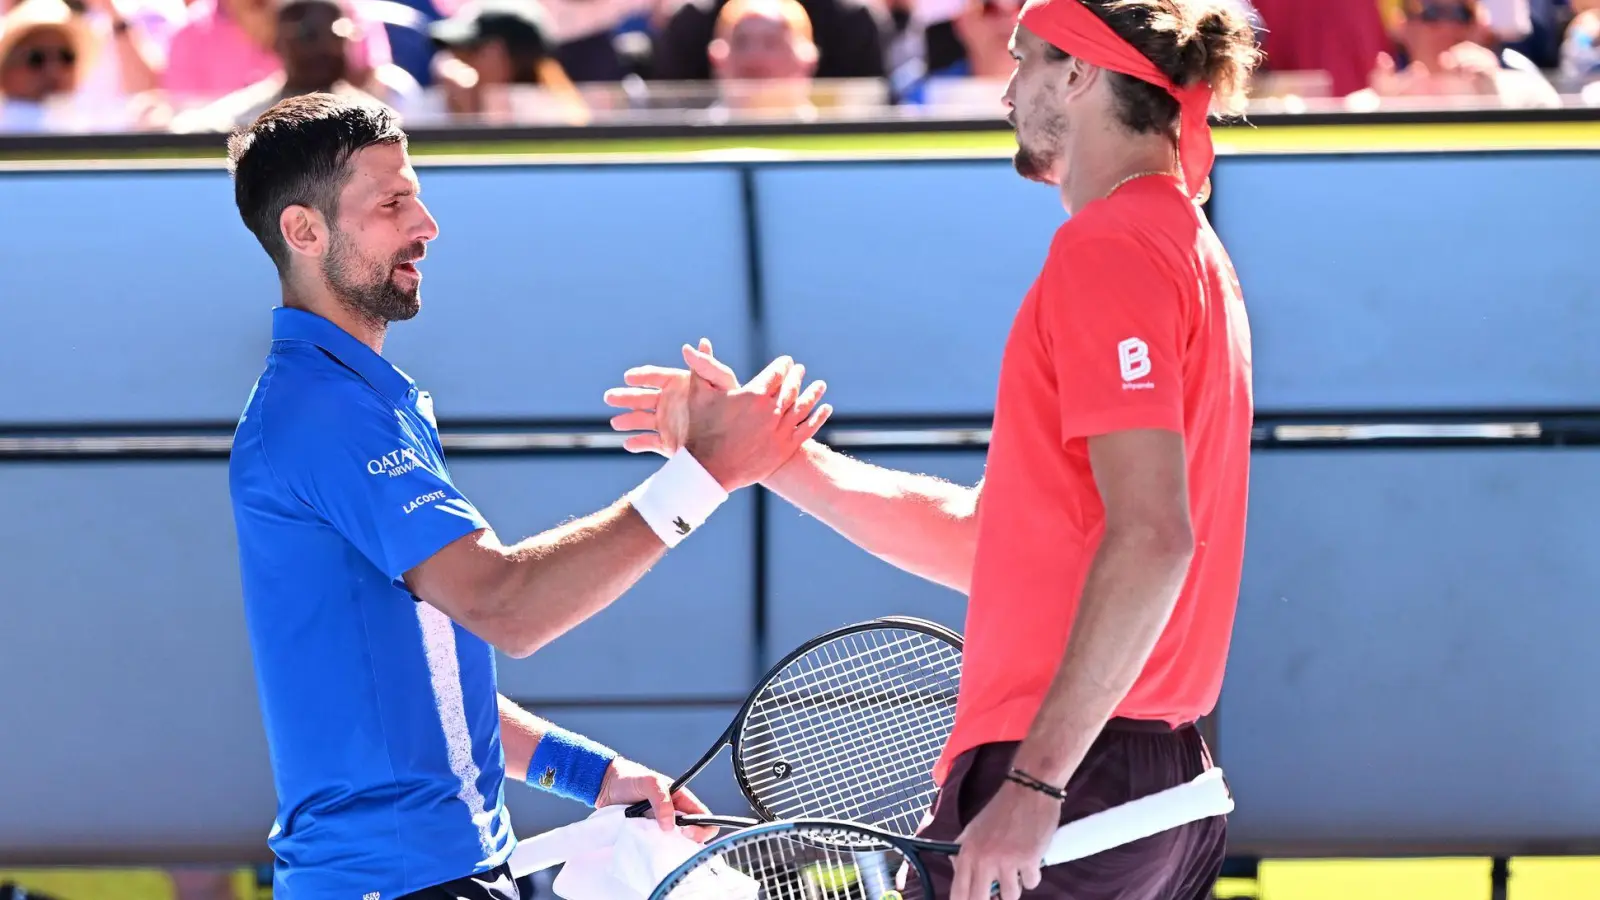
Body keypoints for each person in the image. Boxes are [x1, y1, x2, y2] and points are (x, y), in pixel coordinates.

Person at [604, 1, 1260, 898]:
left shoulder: (1113, 247)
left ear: (1078, 75)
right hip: (1142, 783)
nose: (1007, 91)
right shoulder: (1178, 244)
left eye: (1025, 61)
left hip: (1075, 785)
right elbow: (985, 540)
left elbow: (1154, 537)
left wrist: (1034, 784)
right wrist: (764, 456)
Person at [225, 92, 832, 900]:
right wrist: (707, 472)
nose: (427, 223)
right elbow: (509, 609)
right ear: (304, 232)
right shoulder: (325, 412)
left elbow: (425, 676)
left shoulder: (351, 399)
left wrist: (595, 773)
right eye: (392, 202)